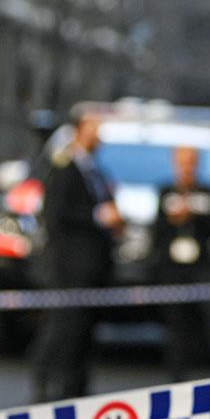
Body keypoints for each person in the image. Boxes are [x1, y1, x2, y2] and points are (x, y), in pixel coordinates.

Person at [31, 106, 122, 402]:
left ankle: (76, 389)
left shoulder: (95, 170)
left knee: (83, 331)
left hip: (93, 266)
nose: (99, 135)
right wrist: (98, 216)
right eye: (94, 128)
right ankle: (47, 386)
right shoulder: (65, 167)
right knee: (64, 327)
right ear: (79, 130)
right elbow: (56, 214)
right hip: (70, 267)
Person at [151, 146, 210, 381]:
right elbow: (156, 232)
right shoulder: (165, 191)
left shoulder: (207, 193)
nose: (186, 167)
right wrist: (173, 219)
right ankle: (177, 377)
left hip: (201, 268)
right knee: (176, 326)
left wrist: (194, 216)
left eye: (191, 161)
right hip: (173, 269)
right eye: (182, 161)